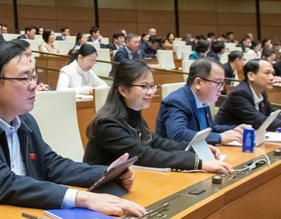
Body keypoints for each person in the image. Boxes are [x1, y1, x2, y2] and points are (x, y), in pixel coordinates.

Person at [0, 41, 146, 219]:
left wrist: (106, 173)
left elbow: (50, 164)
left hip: (10, 218)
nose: (34, 85)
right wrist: (82, 198)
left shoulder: (24, 120)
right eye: (24, 78)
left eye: (33, 76)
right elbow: (2, 184)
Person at [84, 61, 232, 173]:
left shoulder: (132, 112)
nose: (151, 92)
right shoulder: (107, 123)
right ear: (123, 90)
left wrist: (195, 148)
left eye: (152, 86)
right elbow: (143, 154)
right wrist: (197, 162)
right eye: (144, 86)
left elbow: (155, 142)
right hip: (103, 188)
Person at [155, 59, 244, 146]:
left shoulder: (203, 100)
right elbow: (178, 134)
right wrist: (219, 137)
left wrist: (233, 129)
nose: (222, 89)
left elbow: (209, 130)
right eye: (218, 83)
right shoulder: (176, 101)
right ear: (198, 83)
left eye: (223, 83)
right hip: (176, 157)